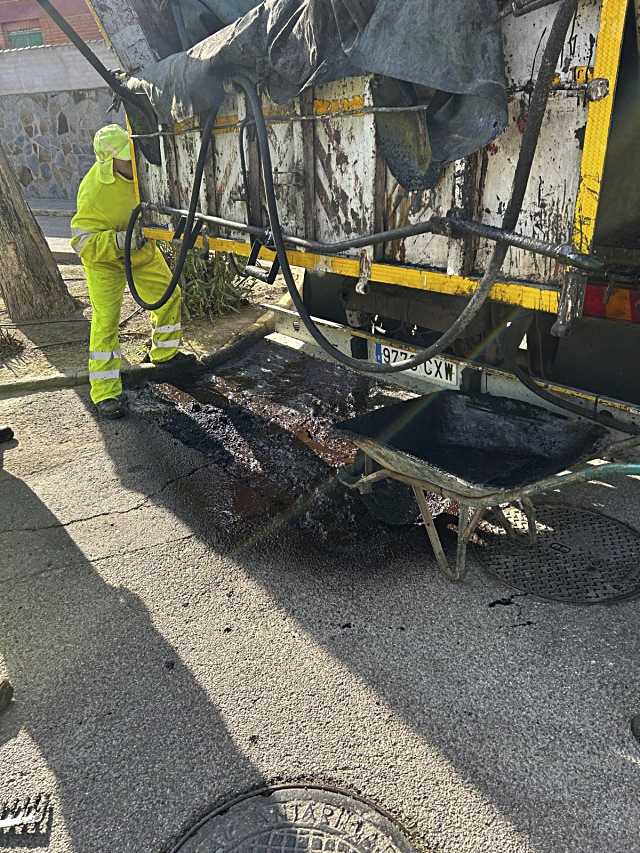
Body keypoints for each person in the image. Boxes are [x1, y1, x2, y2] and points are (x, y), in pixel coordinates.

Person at [71, 124, 191, 419]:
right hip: (104, 262)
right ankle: (105, 392)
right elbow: (81, 242)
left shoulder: (144, 175)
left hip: (140, 253)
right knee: (106, 322)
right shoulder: (93, 191)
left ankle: (164, 354)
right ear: (108, 161)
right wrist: (120, 240)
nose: (133, 163)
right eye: (126, 158)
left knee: (169, 295)